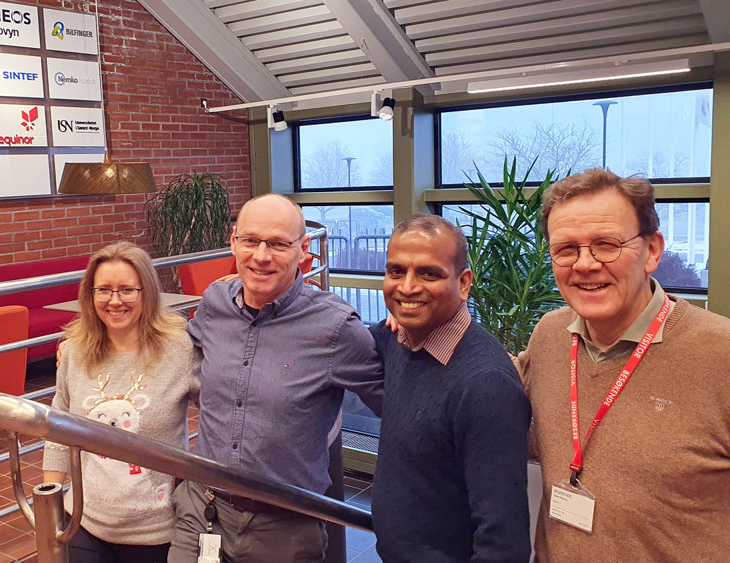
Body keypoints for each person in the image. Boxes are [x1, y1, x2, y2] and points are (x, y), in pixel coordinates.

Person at [517, 168, 730, 561]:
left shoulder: (721, 356)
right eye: (566, 249)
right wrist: (423, 322)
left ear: (652, 251)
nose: (584, 264)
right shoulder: (550, 335)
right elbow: (491, 395)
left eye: (606, 244)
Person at [167, 193, 384, 563]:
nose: (261, 255)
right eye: (251, 241)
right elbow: (176, 350)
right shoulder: (215, 302)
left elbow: (396, 402)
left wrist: (413, 331)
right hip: (201, 511)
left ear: (303, 250)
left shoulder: (334, 327)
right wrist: (91, 343)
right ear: (233, 243)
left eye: (279, 244)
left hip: (284, 526)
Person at [370, 214, 532, 562]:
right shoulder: (399, 340)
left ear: (464, 283)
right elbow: (344, 336)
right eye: (396, 271)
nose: (408, 287)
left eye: (429, 274)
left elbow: (503, 543)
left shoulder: (486, 385)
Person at [43, 241, 198, 563]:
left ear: (147, 293)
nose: (115, 301)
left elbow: (223, 408)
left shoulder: (180, 348)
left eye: (127, 290)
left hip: (159, 530)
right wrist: (51, 504)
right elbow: (58, 427)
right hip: (84, 522)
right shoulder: (75, 351)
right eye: (104, 290)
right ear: (90, 294)